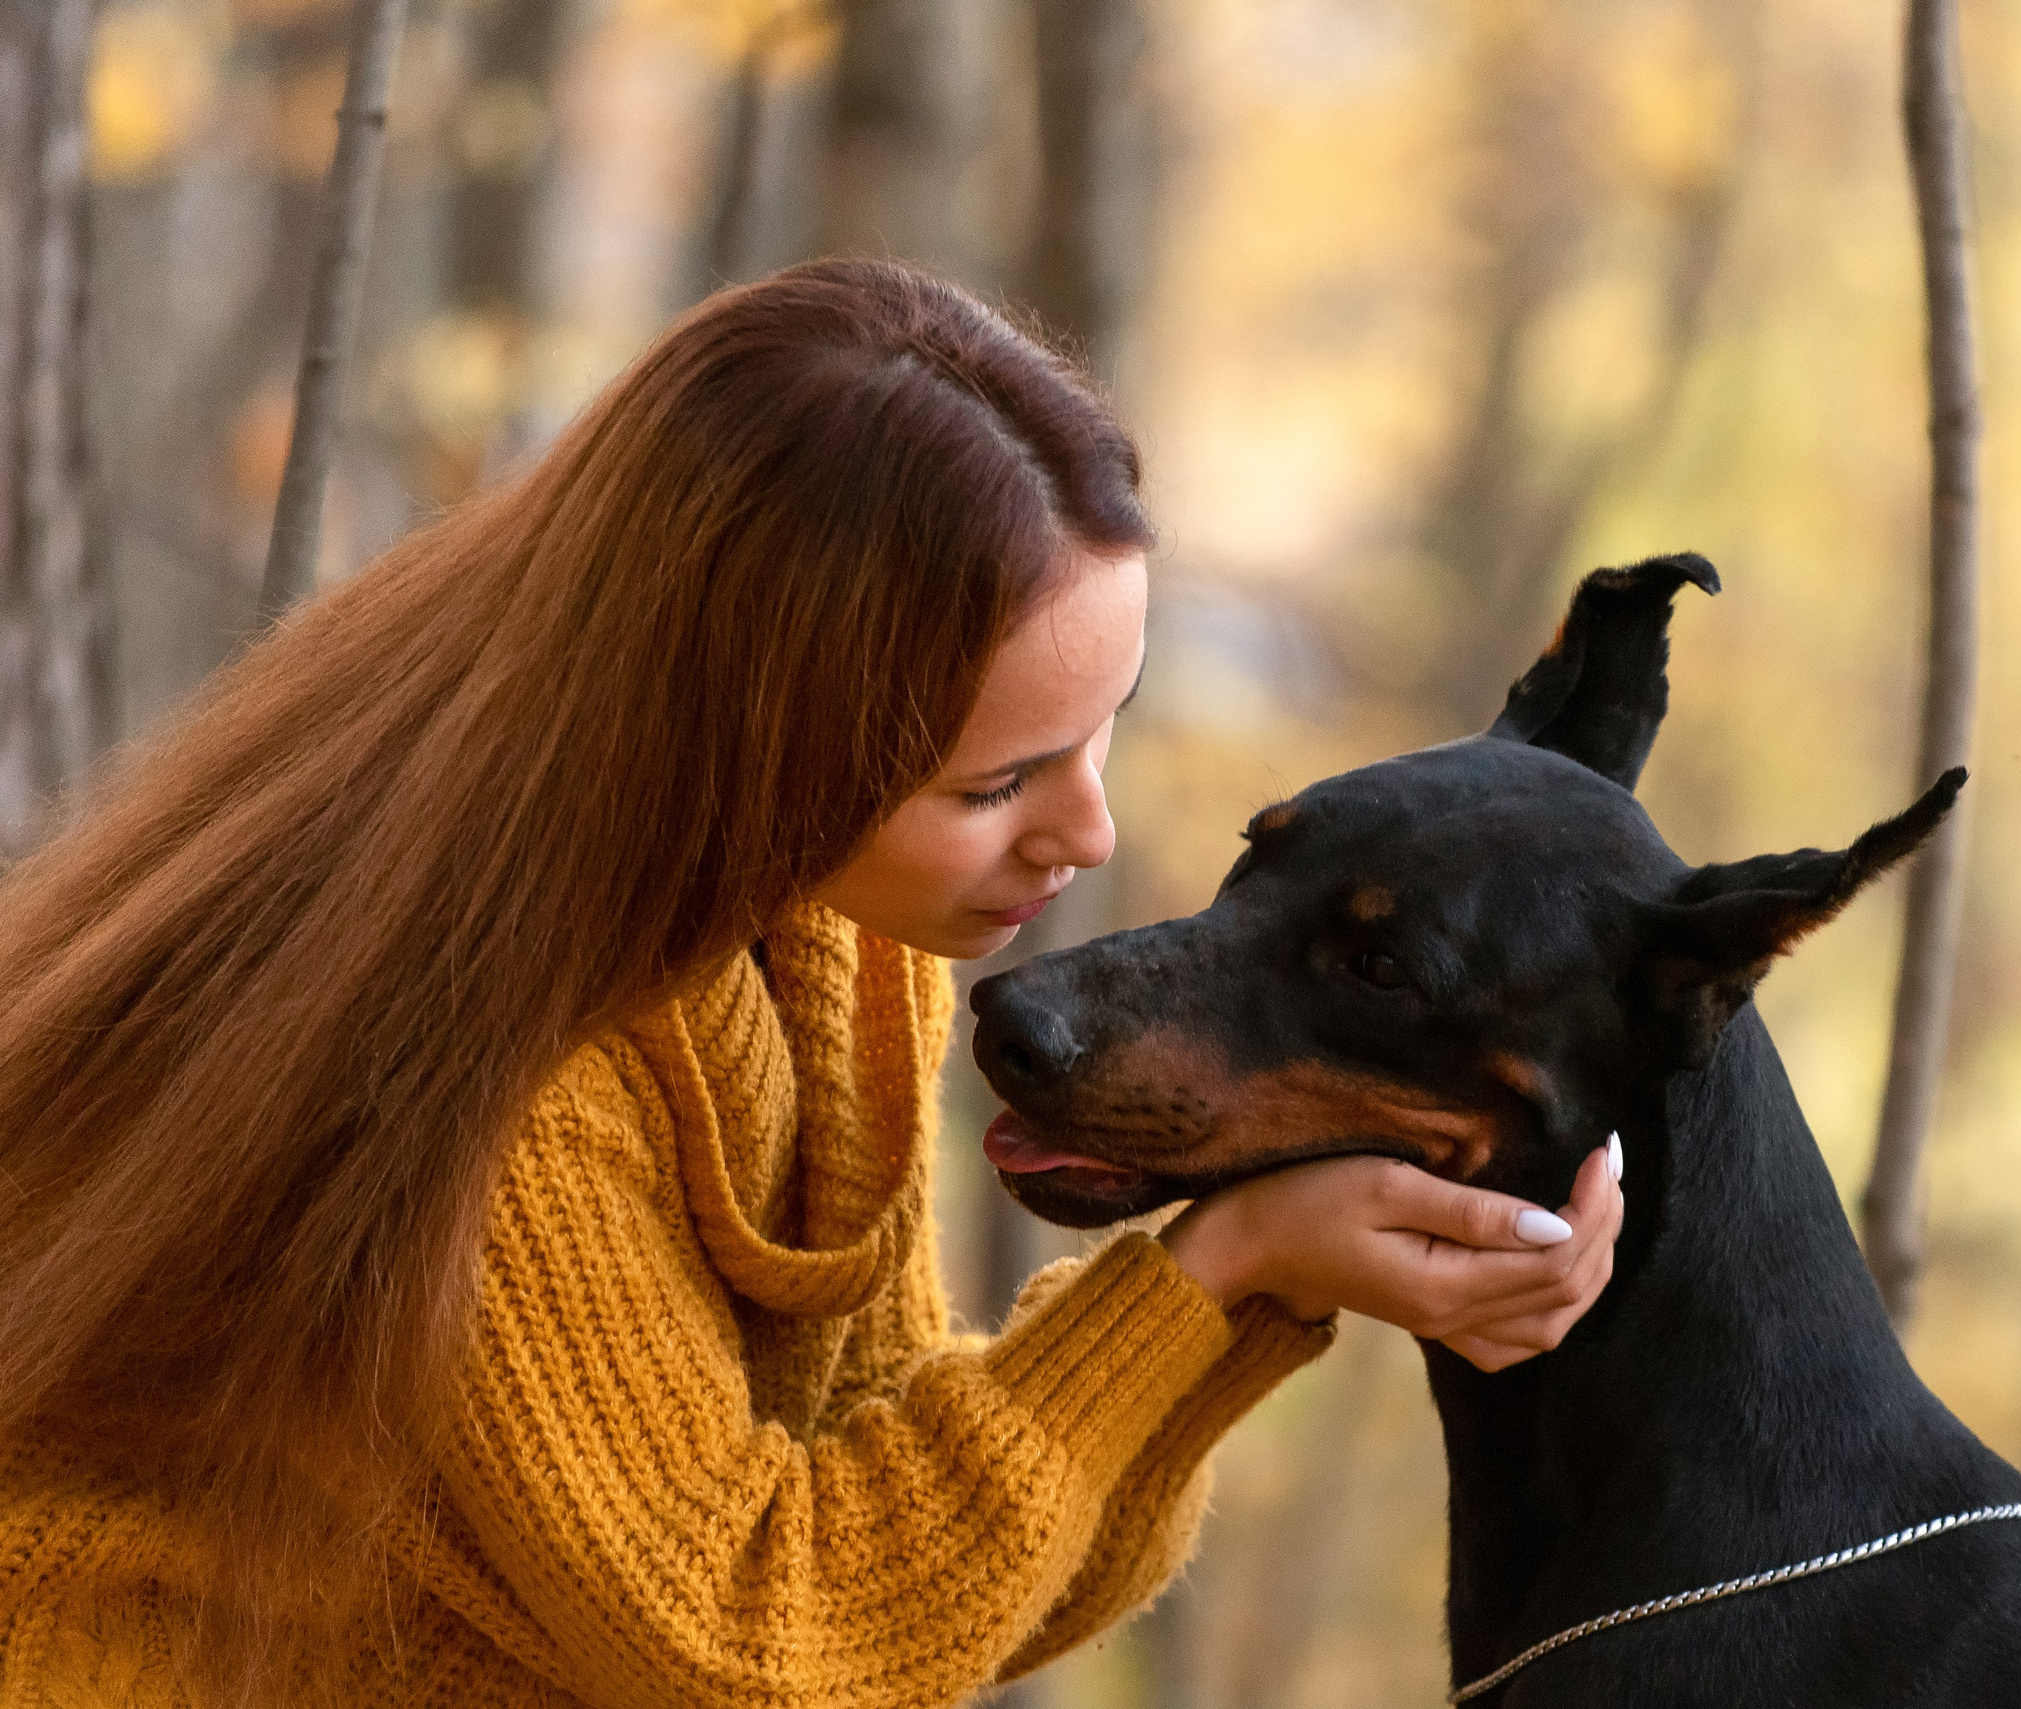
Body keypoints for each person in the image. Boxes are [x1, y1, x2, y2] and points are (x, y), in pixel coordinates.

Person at [0, 259, 1621, 1706]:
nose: (1091, 830)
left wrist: (1276, 1260)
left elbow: (930, 1585)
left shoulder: (822, 929)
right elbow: (764, 1643)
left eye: (1102, 721)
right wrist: (1221, 1266)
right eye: (996, 785)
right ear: (759, 749)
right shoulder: (501, 1071)